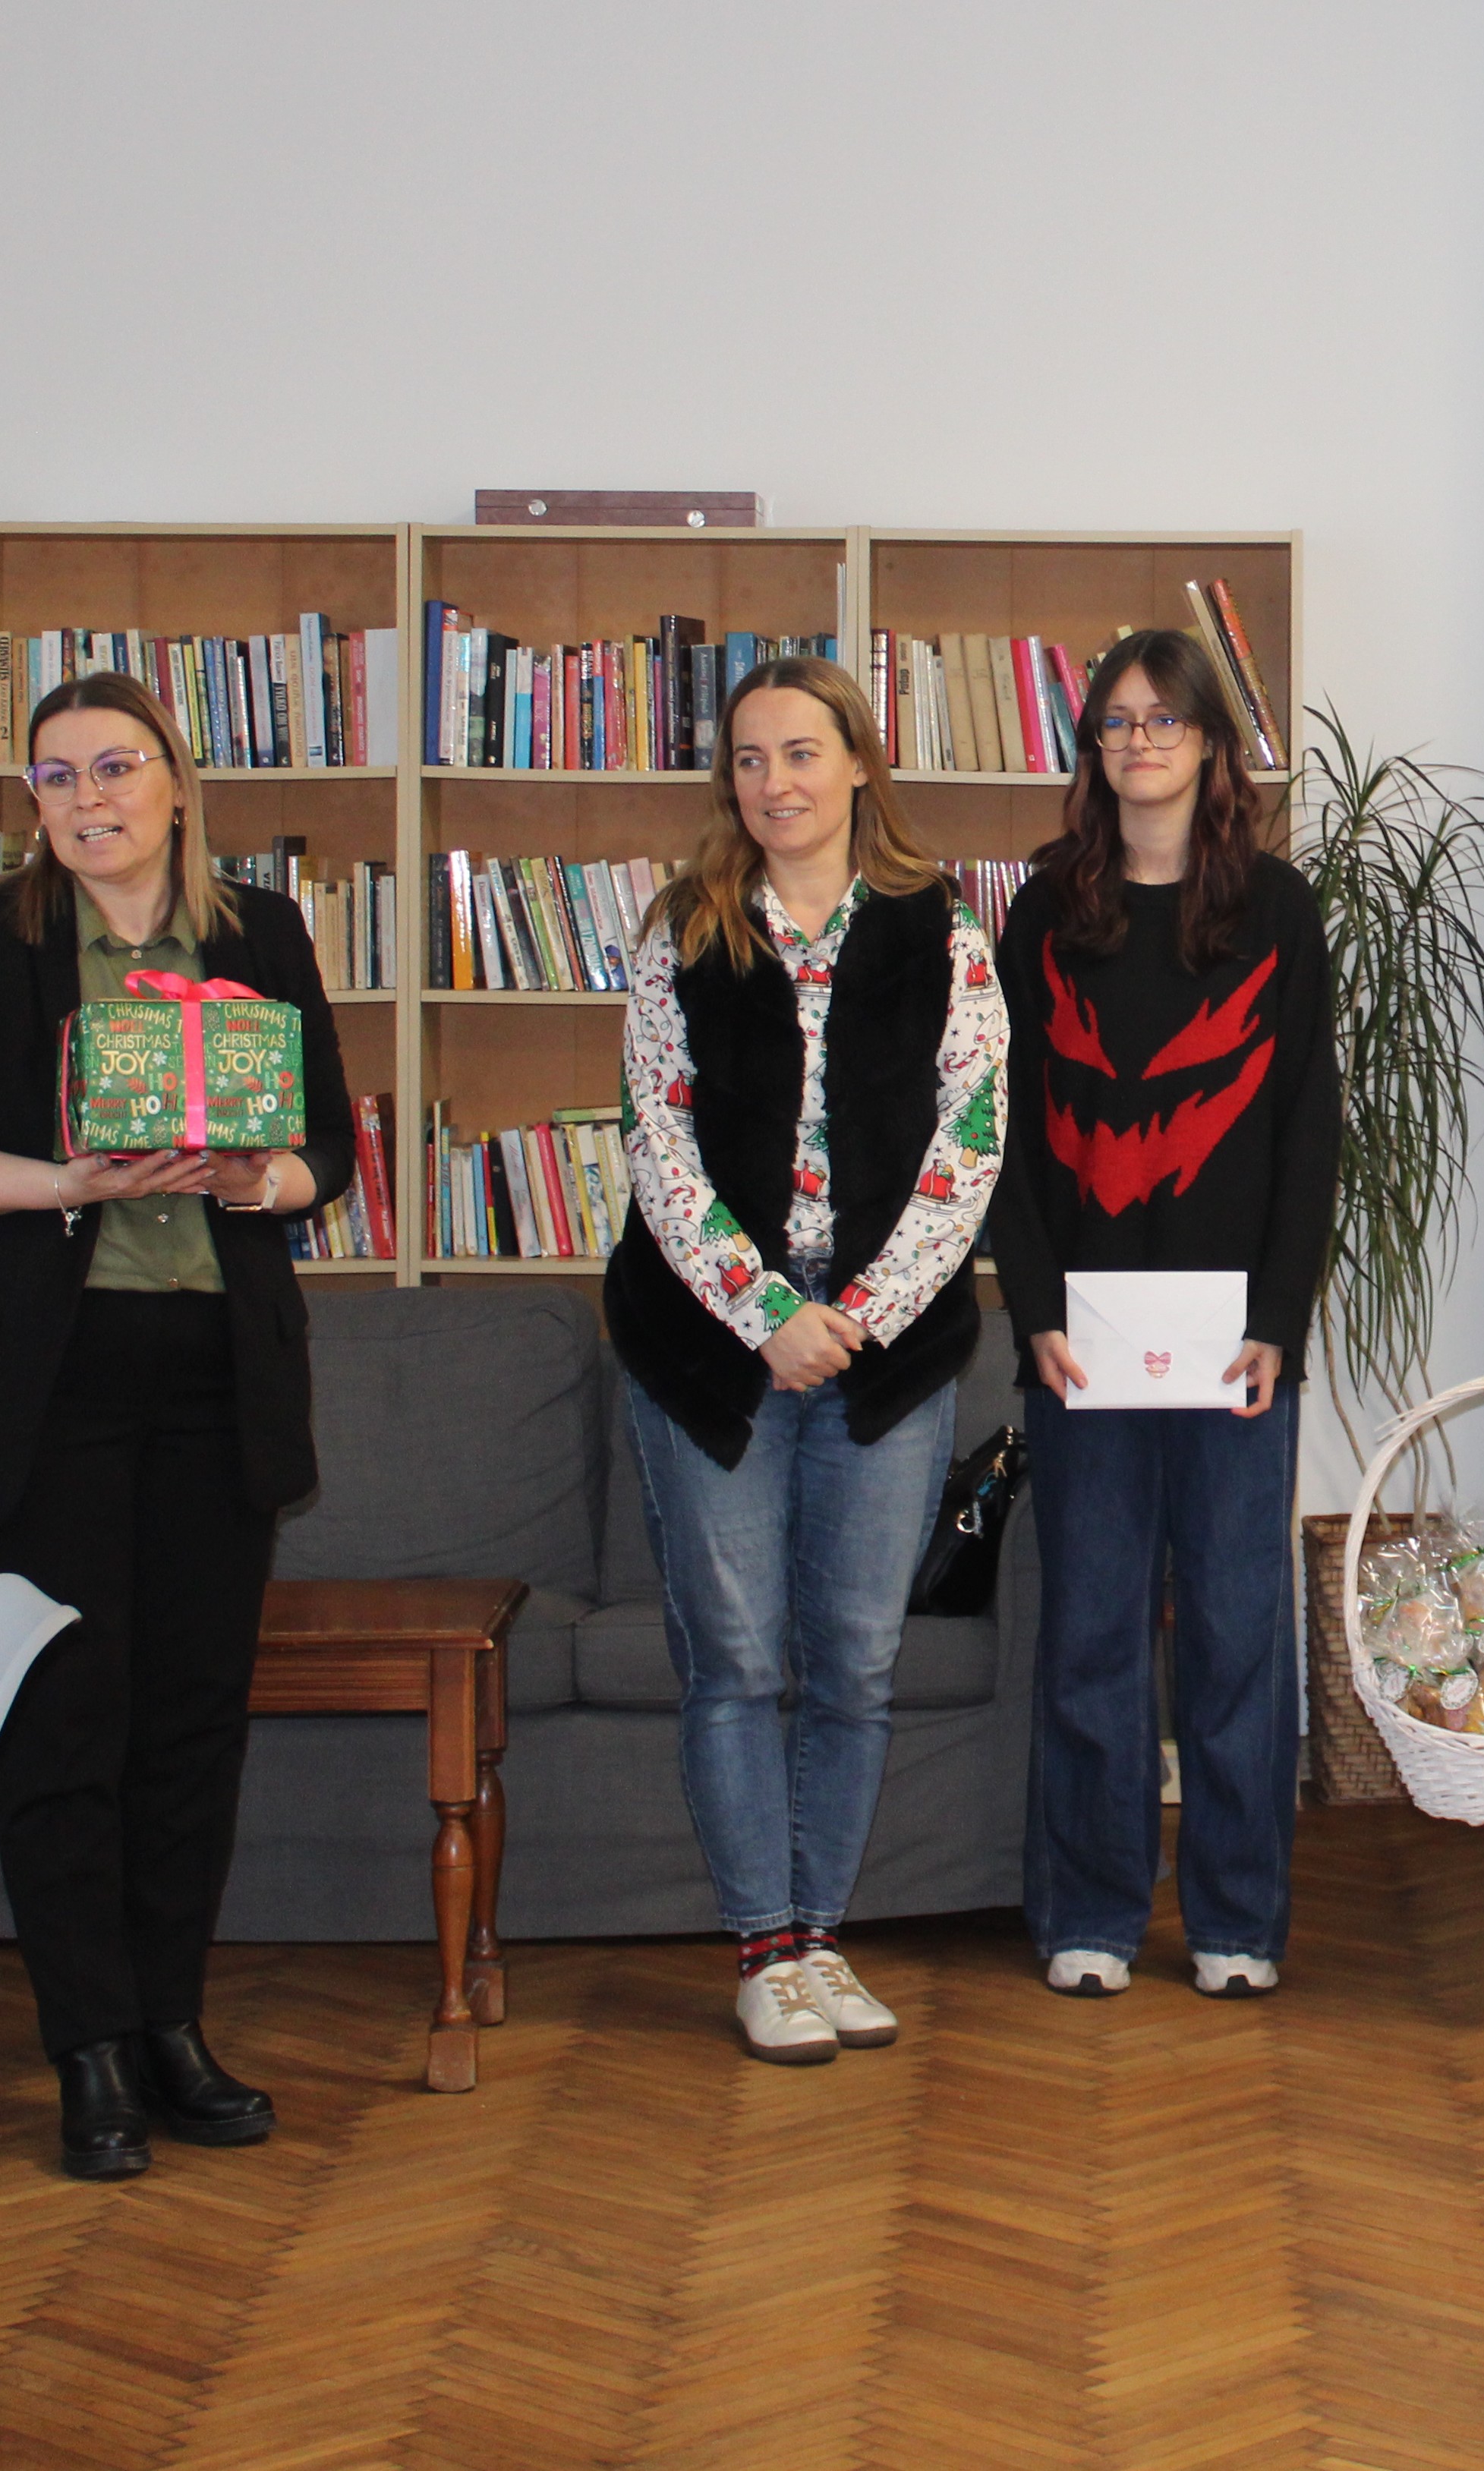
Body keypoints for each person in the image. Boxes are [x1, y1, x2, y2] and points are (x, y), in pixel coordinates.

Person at [0, 670, 350, 2180]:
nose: (91, 799)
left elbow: (329, 1148)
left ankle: (170, 2028)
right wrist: (63, 1182)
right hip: (39, 1383)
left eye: (118, 767)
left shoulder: (262, 932)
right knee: (65, 1718)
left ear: (176, 782)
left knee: (191, 1719)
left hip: (215, 1373)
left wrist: (256, 1179)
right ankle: (86, 2047)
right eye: (59, 775)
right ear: (33, 800)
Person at [605, 656, 1007, 2066]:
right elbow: (656, 1140)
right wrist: (765, 1314)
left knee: (856, 1662)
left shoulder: (944, 931)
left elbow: (971, 1145)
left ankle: (821, 1940)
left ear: (858, 763)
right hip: (710, 1343)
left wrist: (862, 1316)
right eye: (749, 758)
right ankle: (762, 1951)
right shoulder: (683, 931)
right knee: (734, 1660)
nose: (774, 782)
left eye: (800, 752)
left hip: (885, 1348)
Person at [991, 632, 1341, 2001]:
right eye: (1118, 722)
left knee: (1238, 1636)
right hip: (1081, 1345)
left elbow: (1307, 1129)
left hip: (1233, 1346)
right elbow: (1003, 1132)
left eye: (1166, 721)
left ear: (1209, 745)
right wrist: (1032, 1312)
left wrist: (1280, 1319)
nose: (1140, 743)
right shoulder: (1043, 911)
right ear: (1093, 745)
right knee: (1091, 1634)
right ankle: (1091, 1910)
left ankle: (1239, 1919)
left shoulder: (1277, 911)